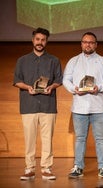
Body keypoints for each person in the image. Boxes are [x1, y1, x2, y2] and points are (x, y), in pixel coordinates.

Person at [63, 32, 103, 179]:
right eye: (85, 42)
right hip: (79, 107)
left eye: (91, 42)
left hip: (98, 106)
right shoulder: (73, 61)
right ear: (81, 44)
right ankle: (78, 167)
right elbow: (66, 79)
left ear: (96, 44)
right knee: (80, 138)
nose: (88, 44)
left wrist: (99, 87)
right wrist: (74, 89)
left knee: (100, 138)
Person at [13, 27, 63, 180]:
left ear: (46, 41)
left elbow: (58, 81)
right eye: (37, 39)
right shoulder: (22, 60)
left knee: (47, 138)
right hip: (29, 105)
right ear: (33, 40)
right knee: (29, 139)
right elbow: (17, 81)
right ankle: (29, 169)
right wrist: (27, 87)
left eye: (43, 40)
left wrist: (51, 87)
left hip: (48, 105)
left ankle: (46, 168)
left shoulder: (54, 60)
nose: (40, 42)